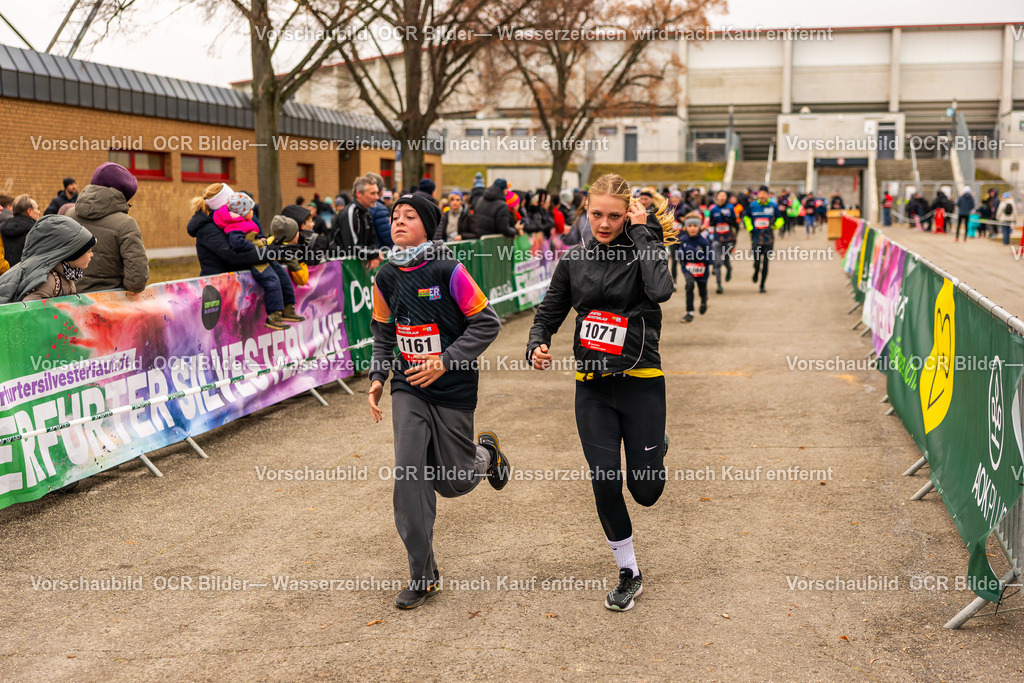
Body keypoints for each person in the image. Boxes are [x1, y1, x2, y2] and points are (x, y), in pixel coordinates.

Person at [526, 173, 673, 612]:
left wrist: (645, 232)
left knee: (645, 491)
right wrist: (537, 342)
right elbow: (548, 312)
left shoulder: (644, 249)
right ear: (585, 212)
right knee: (604, 480)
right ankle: (628, 571)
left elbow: (662, 291)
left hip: (641, 382)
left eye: (614, 215)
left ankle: (656, 447)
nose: (604, 224)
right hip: (592, 387)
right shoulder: (573, 260)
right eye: (596, 215)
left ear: (628, 213)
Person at [367, 192, 509, 610]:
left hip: (452, 387)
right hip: (408, 386)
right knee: (409, 478)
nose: (399, 221)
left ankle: (485, 454)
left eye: (410, 216)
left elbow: (486, 323)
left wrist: (444, 361)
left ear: (429, 226)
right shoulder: (386, 276)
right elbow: (383, 334)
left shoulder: (450, 269)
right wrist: (378, 376)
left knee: (454, 482)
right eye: (395, 216)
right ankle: (423, 576)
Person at [213, 192, 305, 331]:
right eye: (250, 209)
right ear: (242, 212)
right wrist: (254, 245)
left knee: (282, 274)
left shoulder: (247, 222)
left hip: (262, 254)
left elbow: (256, 234)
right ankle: (274, 316)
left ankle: (289, 307)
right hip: (256, 259)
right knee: (272, 280)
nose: (252, 211)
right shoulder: (235, 225)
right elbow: (236, 243)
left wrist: (261, 240)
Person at [65, 162, 149, 294]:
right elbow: (137, 280)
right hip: (110, 303)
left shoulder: (69, 214)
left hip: (70, 301)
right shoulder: (126, 224)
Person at [0, 215, 95, 304]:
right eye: (89, 251)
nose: (92, 255)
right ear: (73, 254)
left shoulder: (66, 274)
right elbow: (30, 313)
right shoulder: (48, 282)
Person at [187, 183, 264, 277]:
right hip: (217, 286)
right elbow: (234, 256)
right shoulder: (208, 229)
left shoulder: (225, 222)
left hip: (231, 282)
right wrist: (270, 253)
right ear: (225, 204)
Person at [330, 175, 380, 268]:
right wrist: (375, 254)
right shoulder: (350, 212)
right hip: (341, 269)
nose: (377, 197)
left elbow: (372, 242)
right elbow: (351, 247)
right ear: (358, 194)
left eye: (377, 193)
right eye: (372, 193)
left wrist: (373, 256)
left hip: (355, 267)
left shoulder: (366, 213)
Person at [744, 185, 783, 293]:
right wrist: (750, 228)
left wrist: (774, 227)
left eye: (764, 193)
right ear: (758, 195)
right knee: (757, 262)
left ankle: (762, 285)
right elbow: (746, 218)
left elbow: (780, 219)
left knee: (765, 263)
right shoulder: (752, 206)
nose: (762, 195)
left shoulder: (773, 206)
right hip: (756, 238)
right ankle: (756, 271)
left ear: (767, 195)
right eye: (760, 193)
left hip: (768, 239)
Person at [677, 213, 713, 322]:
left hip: (702, 272)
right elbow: (679, 254)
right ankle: (690, 312)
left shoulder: (704, 242)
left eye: (695, 226)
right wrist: (681, 254)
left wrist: (699, 255)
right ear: (685, 227)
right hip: (688, 269)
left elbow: (710, 260)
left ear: (700, 227)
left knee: (702, 289)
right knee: (689, 285)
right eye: (690, 226)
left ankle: (704, 301)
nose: (692, 228)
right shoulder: (682, 239)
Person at [708, 190, 738, 293]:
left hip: (728, 238)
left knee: (725, 260)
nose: (722, 197)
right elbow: (711, 223)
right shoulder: (714, 209)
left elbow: (735, 223)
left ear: (726, 197)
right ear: (717, 197)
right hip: (717, 239)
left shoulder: (730, 208)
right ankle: (719, 285)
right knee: (717, 262)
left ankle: (729, 269)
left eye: (724, 196)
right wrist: (715, 221)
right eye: (720, 195)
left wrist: (726, 219)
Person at [268, 214, 309, 286]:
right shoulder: (288, 253)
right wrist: (302, 261)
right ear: (290, 236)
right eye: (296, 232)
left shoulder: (269, 243)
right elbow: (302, 279)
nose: (298, 234)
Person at [1, 194, 40, 268]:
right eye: (37, 209)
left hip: (5, 275)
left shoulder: (3, 228)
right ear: (29, 211)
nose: (39, 212)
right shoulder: (35, 231)